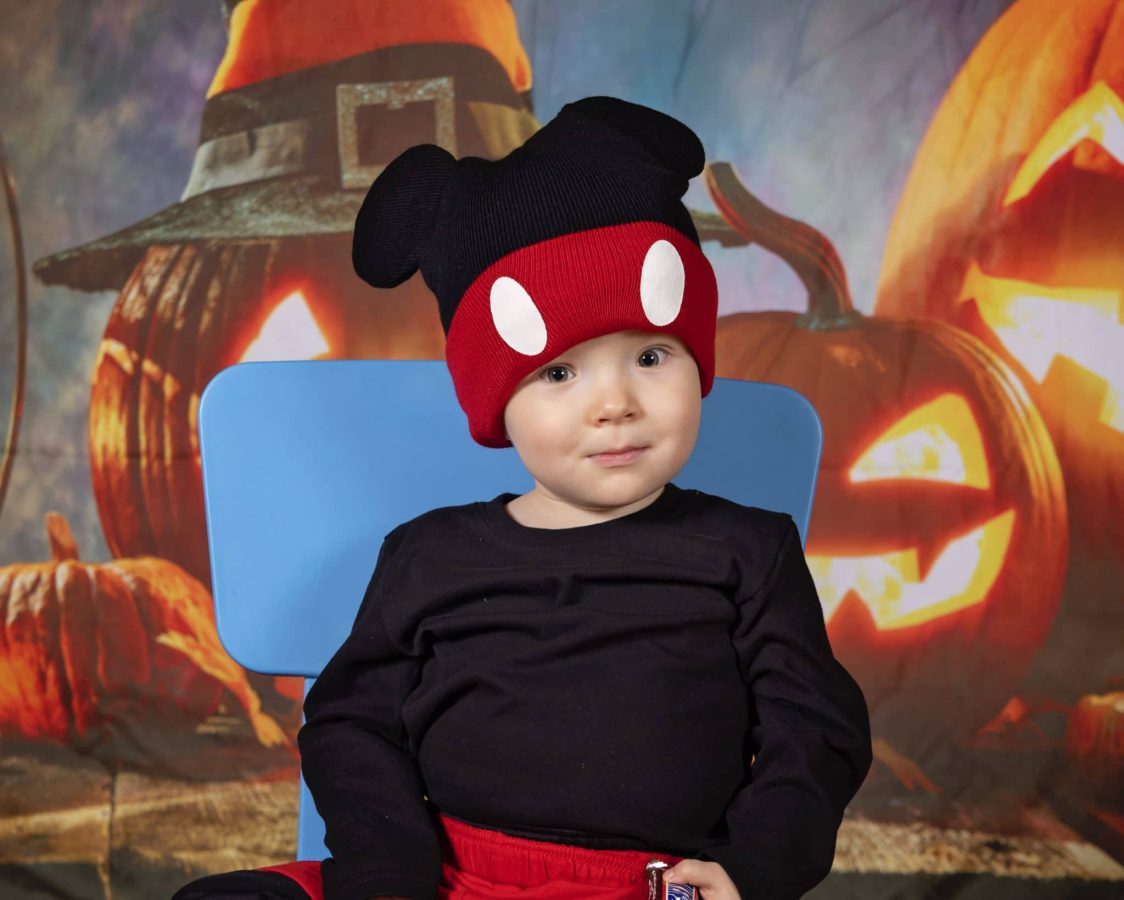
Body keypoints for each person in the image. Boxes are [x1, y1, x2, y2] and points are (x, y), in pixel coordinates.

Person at [297, 95, 873, 900]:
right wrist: (390, 873)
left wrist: (753, 868)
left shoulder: (747, 551)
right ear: (496, 402)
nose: (615, 404)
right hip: (445, 876)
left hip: (653, 885)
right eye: (559, 373)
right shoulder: (430, 555)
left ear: (696, 360)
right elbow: (350, 725)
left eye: (650, 356)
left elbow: (815, 731)